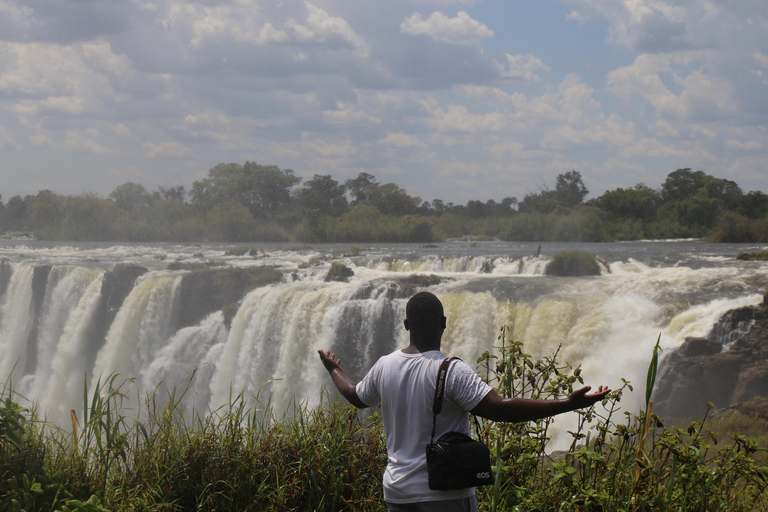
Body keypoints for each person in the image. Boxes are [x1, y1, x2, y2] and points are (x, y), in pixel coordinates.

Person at [318, 291, 610, 512]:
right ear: (444, 323)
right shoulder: (450, 371)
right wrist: (566, 404)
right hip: (444, 494)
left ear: (406, 323)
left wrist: (335, 370)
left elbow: (355, 396)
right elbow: (501, 409)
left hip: (397, 493)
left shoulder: (385, 366)